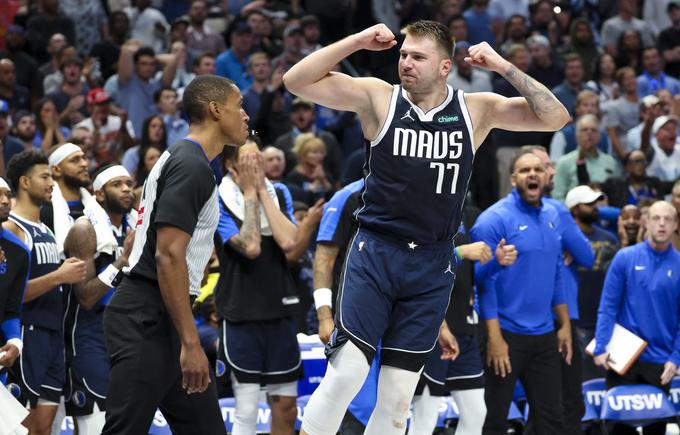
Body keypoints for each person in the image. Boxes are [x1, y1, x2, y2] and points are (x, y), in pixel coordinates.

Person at [282, 19, 569, 435]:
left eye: (418, 57)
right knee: (347, 373)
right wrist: (359, 41)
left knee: (399, 397)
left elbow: (555, 118)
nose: (406, 63)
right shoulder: (379, 98)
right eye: (403, 55)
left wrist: (503, 66)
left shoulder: (476, 109)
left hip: (433, 263)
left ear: (444, 67)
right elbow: (295, 80)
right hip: (376, 252)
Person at [101, 74, 249, 434]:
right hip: (146, 316)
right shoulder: (191, 164)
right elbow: (168, 256)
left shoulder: (189, 160)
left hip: (163, 314)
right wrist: (191, 341)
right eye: (239, 106)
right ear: (215, 110)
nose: (246, 115)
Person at [472, 150, 572, 434]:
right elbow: (480, 282)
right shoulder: (493, 220)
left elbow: (555, 271)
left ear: (546, 177)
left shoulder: (554, 215)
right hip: (504, 333)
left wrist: (563, 324)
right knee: (494, 419)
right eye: (525, 170)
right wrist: (494, 337)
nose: (532, 175)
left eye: (538, 170)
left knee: (551, 420)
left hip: (543, 335)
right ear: (513, 178)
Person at [214, 140, 300, 435]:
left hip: (280, 309)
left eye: (258, 155)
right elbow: (250, 246)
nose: (257, 163)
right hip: (240, 312)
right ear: (230, 164)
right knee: (247, 410)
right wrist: (250, 193)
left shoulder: (280, 192)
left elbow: (290, 243)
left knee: (287, 409)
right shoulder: (218, 199)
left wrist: (262, 191)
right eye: (248, 158)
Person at [3, 150, 87, 435]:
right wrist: (59, 276)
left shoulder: (47, 230)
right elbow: (9, 296)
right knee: (19, 427)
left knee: (44, 429)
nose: (51, 183)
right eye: (45, 177)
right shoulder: (12, 229)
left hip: (53, 335)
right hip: (27, 333)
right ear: (25, 182)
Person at [410, 207, 504, 435]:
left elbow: (472, 276)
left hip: (465, 325)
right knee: (426, 414)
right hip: (433, 328)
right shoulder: (420, 209)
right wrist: (460, 253)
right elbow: (416, 266)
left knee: (476, 412)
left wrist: (495, 261)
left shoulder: (470, 215)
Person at [593, 200, 680, 435]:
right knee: (618, 430)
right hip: (623, 360)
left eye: (668, 219)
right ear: (646, 222)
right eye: (656, 218)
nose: (662, 224)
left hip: (661, 363)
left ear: (675, 226)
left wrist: (676, 358)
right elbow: (608, 306)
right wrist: (601, 345)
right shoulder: (624, 258)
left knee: (655, 430)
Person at [62, 165, 136, 435]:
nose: (127, 189)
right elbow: (86, 297)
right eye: (118, 184)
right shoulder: (84, 229)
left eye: (129, 183)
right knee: (97, 427)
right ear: (100, 194)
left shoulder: (132, 228)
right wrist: (122, 261)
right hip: (89, 337)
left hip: (126, 335)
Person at [565, 185, 620, 380]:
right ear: (574, 209)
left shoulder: (609, 238)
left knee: (604, 374)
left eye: (595, 203)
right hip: (576, 317)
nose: (595, 207)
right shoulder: (565, 239)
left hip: (603, 318)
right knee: (578, 377)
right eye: (589, 204)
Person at [553, 114, 621, 201]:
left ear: (599, 136)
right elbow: (558, 196)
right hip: (573, 211)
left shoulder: (611, 162)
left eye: (593, 130)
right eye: (584, 130)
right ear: (577, 135)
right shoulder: (564, 162)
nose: (589, 133)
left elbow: (617, 193)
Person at [0, 176, 29, 376]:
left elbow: (11, 309)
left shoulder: (19, 251)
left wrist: (15, 342)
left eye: (8, 196)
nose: (4, 201)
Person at [601, 150, 667, 208]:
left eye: (643, 161)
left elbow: (661, 205)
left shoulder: (654, 183)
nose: (641, 165)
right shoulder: (615, 184)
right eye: (637, 161)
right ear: (627, 166)